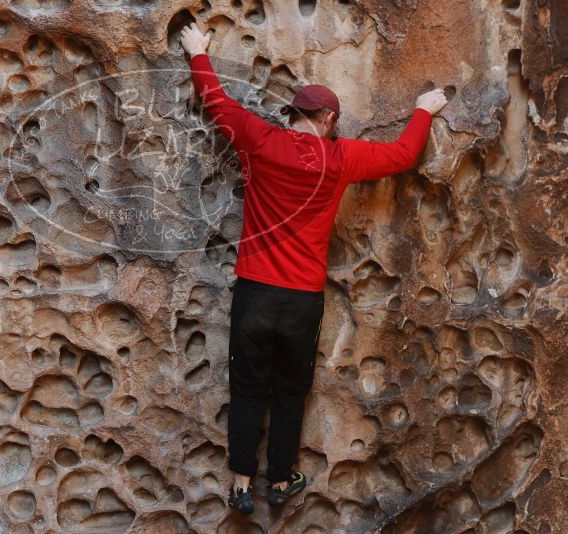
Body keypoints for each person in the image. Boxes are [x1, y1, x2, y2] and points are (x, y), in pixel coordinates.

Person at [179, 23, 448, 514]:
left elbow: (216, 101)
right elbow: (406, 154)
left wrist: (198, 52)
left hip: (255, 294)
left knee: (245, 389)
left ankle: (240, 484)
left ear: (297, 115)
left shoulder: (260, 139)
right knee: (289, 394)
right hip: (302, 300)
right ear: (327, 118)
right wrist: (424, 109)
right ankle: (280, 482)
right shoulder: (340, 157)